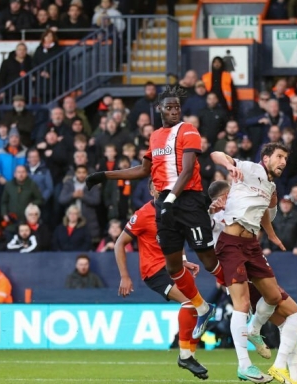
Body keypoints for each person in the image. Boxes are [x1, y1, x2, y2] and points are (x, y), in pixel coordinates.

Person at [85, 85, 238, 339]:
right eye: (169, 107)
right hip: (166, 205)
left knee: (208, 259)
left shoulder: (188, 130)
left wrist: (171, 198)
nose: (174, 111)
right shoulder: (155, 137)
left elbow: (188, 169)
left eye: (177, 107)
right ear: (160, 109)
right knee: (173, 266)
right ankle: (202, 308)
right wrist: (105, 175)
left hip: (187, 200)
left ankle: (238, 290)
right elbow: (143, 170)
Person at [208, 179, 297, 384]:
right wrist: (211, 212)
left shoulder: (243, 205)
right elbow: (208, 229)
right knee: (274, 314)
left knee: (289, 316)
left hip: (252, 258)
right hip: (236, 269)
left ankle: (294, 373)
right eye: (231, 193)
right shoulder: (217, 216)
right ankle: (250, 360)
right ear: (223, 197)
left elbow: (264, 214)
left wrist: (271, 217)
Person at [116, 180, 209, 379]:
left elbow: (175, 240)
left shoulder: (173, 210)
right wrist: (125, 276)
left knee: (197, 305)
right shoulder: (142, 214)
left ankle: (189, 355)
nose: (161, 190)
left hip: (173, 267)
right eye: (157, 187)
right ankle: (186, 356)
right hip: (154, 271)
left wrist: (183, 260)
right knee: (191, 303)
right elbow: (119, 243)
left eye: (164, 187)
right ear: (151, 190)